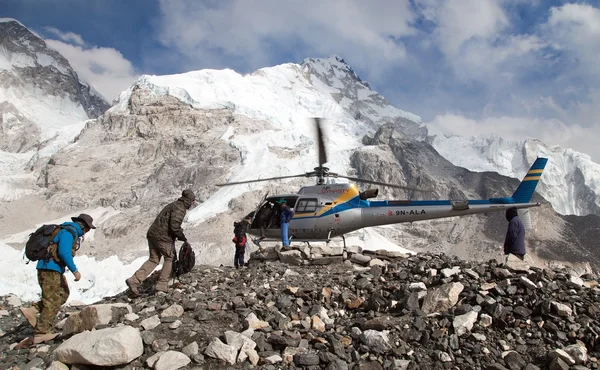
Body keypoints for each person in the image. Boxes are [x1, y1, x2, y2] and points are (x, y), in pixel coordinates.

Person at [20, 213, 96, 344]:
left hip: (51, 269)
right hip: (50, 269)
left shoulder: (67, 230)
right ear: (83, 227)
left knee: (63, 293)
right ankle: (41, 333)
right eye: (88, 228)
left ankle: (33, 310)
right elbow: (64, 252)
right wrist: (75, 271)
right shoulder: (68, 232)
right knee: (53, 300)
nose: (88, 231)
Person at [126, 189, 196, 297]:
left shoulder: (173, 205)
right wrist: (181, 236)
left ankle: (134, 280)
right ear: (188, 200)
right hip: (162, 237)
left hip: (152, 234)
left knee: (154, 259)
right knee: (169, 257)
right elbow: (174, 226)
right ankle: (162, 285)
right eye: (192, 201)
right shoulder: (180, 208)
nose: (192, 204)